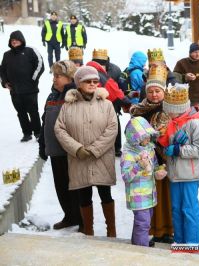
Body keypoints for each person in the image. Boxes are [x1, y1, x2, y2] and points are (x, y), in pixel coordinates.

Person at [54, 66, 118, 237]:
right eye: (87, 81)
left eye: (95, 81)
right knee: (84, 196)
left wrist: (95, 149)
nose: (92, 84)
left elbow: (112, 129)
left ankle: (111, 231)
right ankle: (88, 231)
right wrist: (77, 149)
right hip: (78, 159)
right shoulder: (68, 106)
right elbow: (60, 129)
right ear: (78, 83)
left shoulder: (107, 104)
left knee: (106, 194)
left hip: (102, 158)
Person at [158, 83, 199, 244]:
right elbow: (168, 145)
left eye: (169, 109)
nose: (167, 113)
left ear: (178, 109)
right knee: (176, 210)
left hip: (189, 175)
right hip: (175, 174)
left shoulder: (195, 123)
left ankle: (192, 245)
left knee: (189, 210)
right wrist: (165, 145)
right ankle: (179, 242)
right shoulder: (173, 122)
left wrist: (178, 150)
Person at [129, 66, 174, 245]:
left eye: (158, 91)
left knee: (166, 196)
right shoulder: (140, 110)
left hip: (164, 158)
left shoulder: (170, 108)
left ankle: (168, 230)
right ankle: (154, 229)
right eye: (151, 91)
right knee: (150, 197)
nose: (155, 95)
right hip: (145, 160)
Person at [38, 60, 82, 231]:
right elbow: (45, 122)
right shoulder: (51, 96)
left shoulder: (73, 95)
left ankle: (80, 218)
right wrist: (42, 144)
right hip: (55, 150)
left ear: (69, 77)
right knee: (61, 186)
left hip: (70, 151)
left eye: (58, 76)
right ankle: (69, 216)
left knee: (75, 187)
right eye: (53, 75)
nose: (54, 79)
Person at [121, 116, 167, 246]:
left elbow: (156, 165)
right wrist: (138, 166)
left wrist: (159, 171)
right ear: (134, 138)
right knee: (143, 223)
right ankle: (142, 250)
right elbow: (126, 176)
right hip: (137, 195)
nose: (147, 139)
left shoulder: (150, 149)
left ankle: (137, 244)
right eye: (143, 137)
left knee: (143, 222)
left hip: (149, 193)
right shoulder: (128, 154)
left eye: (148, 136)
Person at [0, 30, 44, 142]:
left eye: (16, 40)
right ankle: (26, 133)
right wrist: (5, 83)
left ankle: (38, 132)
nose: (14, 42)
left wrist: (33, 79)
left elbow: (40, 64)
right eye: (12, 40)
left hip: (30, 89)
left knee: (33, 111)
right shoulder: (7, 55)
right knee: (21, 113)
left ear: (21, 40)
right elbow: (2, 70)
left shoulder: (30, 51)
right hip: (15, 90)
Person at [86, 60, 127, 157]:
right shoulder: (102, 76)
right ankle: (116, 149)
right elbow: (116, 94)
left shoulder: (86, 71)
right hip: (105, 110)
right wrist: (127, 103)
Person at [173, 43, 199, 109]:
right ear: (190, 53)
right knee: (183, 118)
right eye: (195, 52)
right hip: (181, 98)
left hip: (197, 100)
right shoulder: (181, 63)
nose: (197, 54)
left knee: (195, 118)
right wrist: (185, 77)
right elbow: (174, 77)